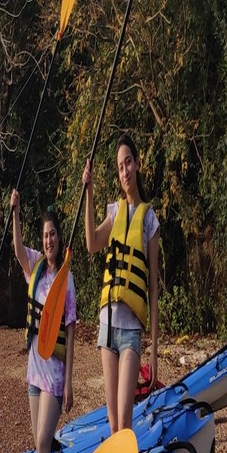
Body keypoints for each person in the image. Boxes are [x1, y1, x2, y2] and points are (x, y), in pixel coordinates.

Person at [83, 133, 159, 435]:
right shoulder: (114, 213)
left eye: (128, 163)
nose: (125, 171)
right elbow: (91, 243)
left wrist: (154, 350)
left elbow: (153, 289)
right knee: (114, 423)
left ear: (137, 164)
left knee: (125, 423)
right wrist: (88, 194)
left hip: (130, 333)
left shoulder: (149, 219)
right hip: (107, 325)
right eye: (120, 166)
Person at [10, 189, 75, 453]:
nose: (49, 240)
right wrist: (15, 212)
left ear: (59, 239)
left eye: (53, 235)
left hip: (55, 374)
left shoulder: (66, 278)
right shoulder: (36, 265)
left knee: (41, 443)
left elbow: (71, 330)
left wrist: (70, 382)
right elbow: (18, 251)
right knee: (39, 446)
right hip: (34, 371)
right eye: (45, 235)